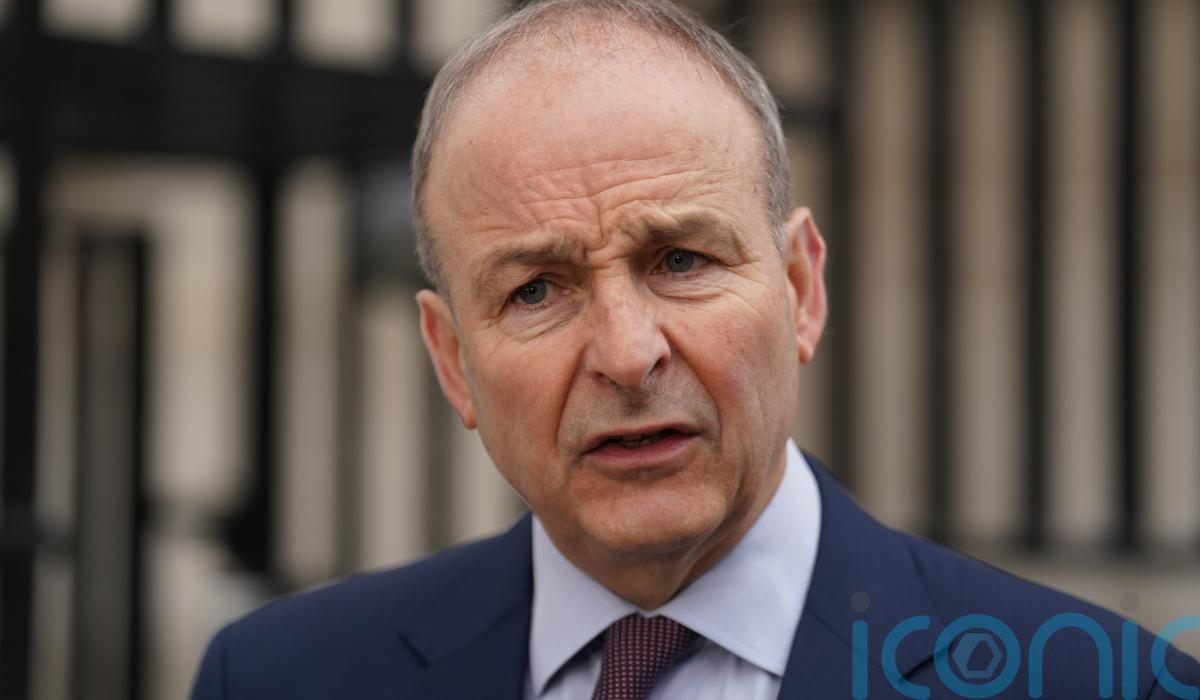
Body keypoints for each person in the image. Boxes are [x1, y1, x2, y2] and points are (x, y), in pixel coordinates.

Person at [191, 1, 1200, 698]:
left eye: (680, 260)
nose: (628, 355)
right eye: (536, 289)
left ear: (801, 290)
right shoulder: (280, 678)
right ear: (452, 360)